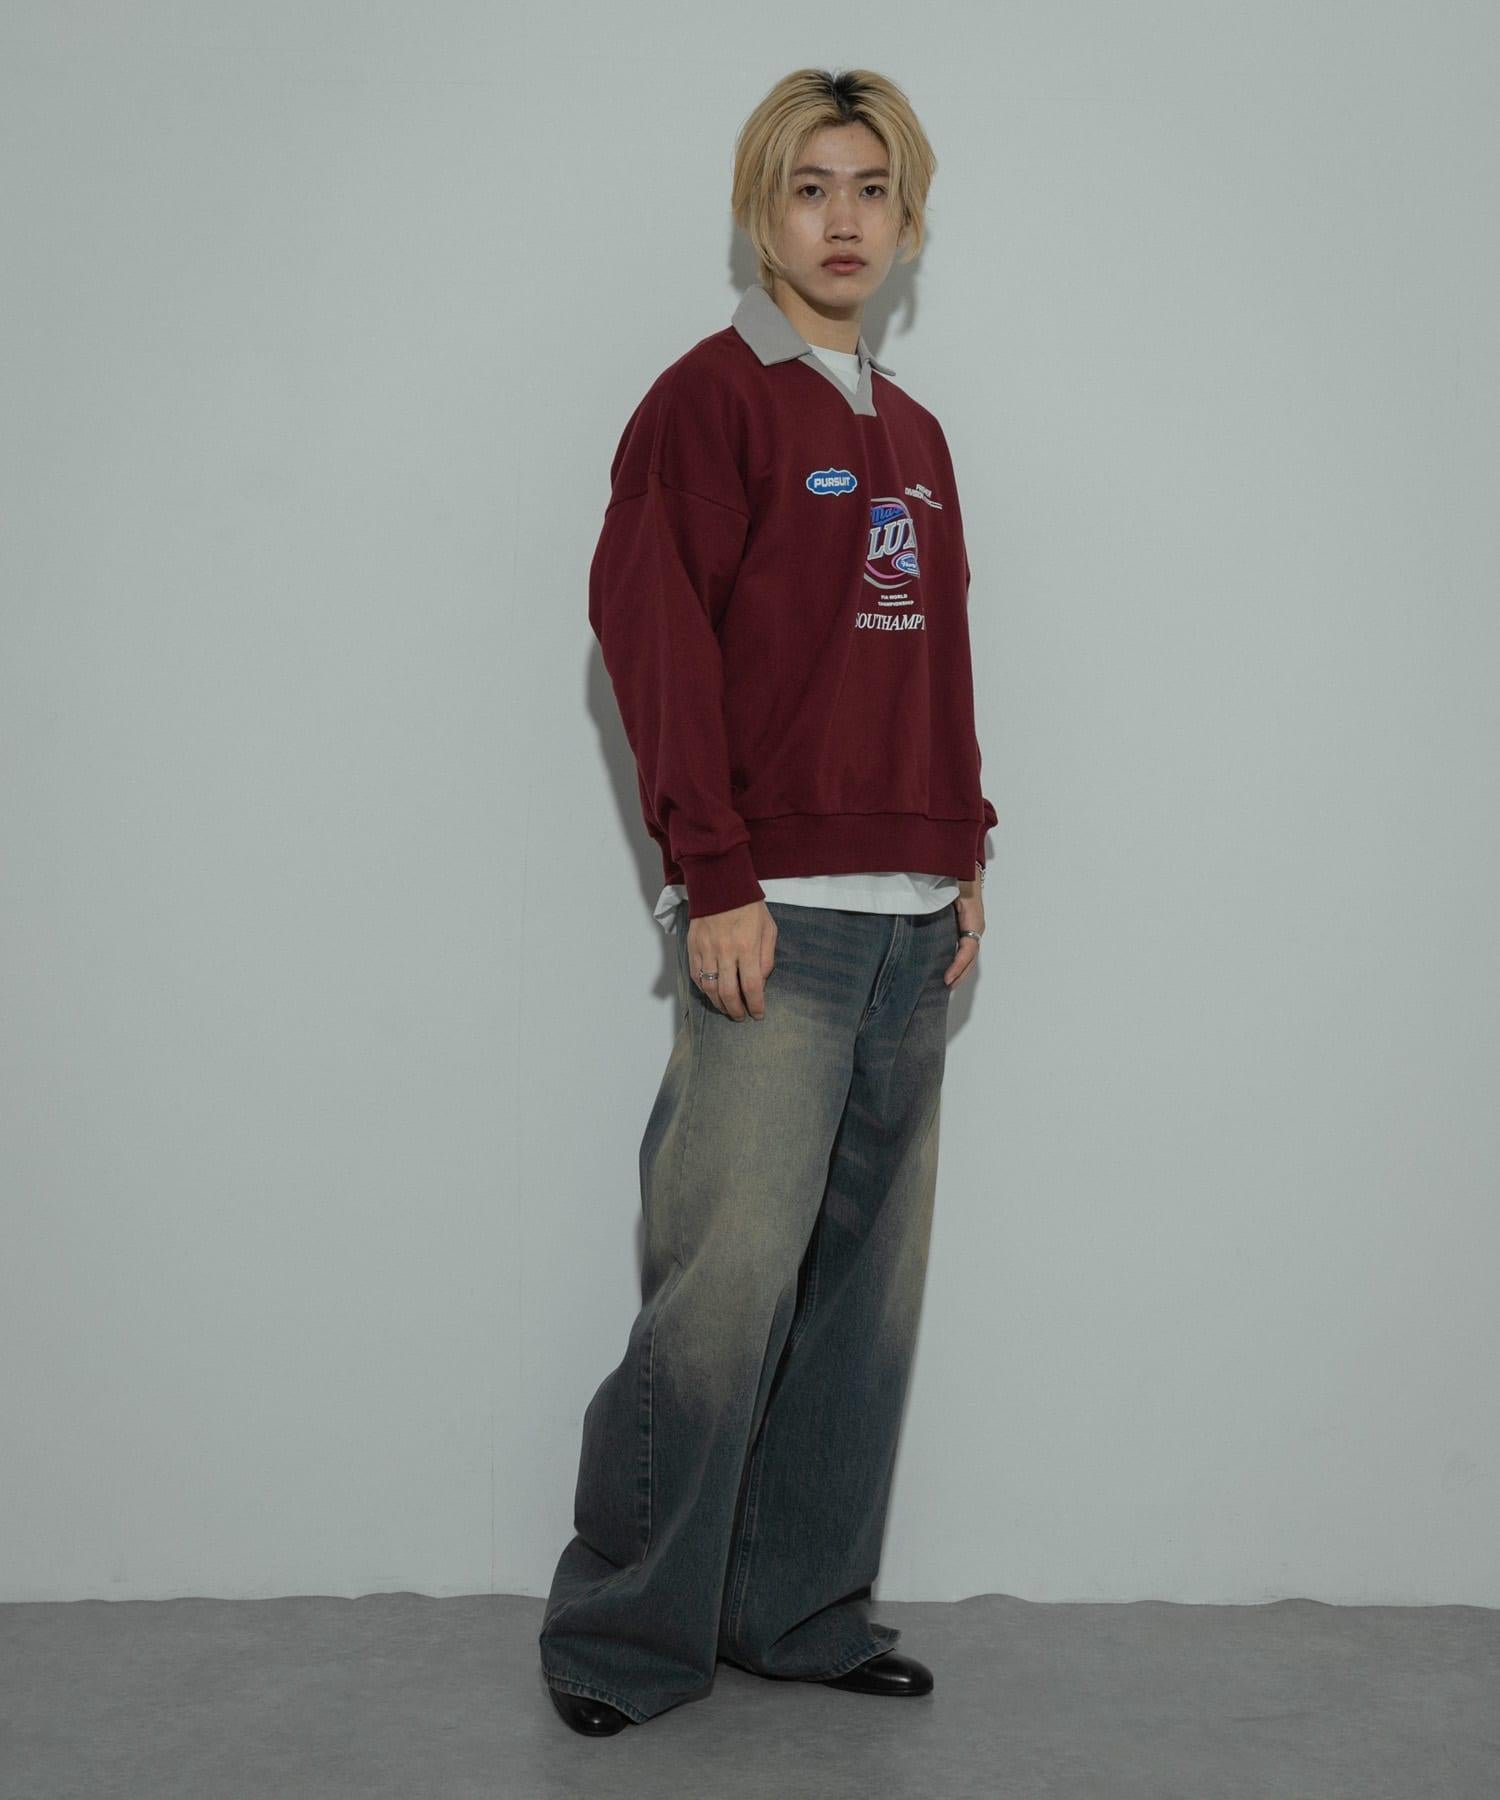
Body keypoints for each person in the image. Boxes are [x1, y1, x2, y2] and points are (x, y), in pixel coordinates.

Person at [538, 65, 998, 1735]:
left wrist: (966, 849)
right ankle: (623, 1637)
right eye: (811, 188)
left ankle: (796, 1609)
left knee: (861, 1294)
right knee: (723, 1290)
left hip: (910, 920)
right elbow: (652, 640)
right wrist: (711, 872)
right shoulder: (706, 404)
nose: (843, 219)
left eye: (871, 188)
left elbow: (930, 658)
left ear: (909, 219)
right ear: (760, 214)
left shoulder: (915, 433)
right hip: (777, 921)